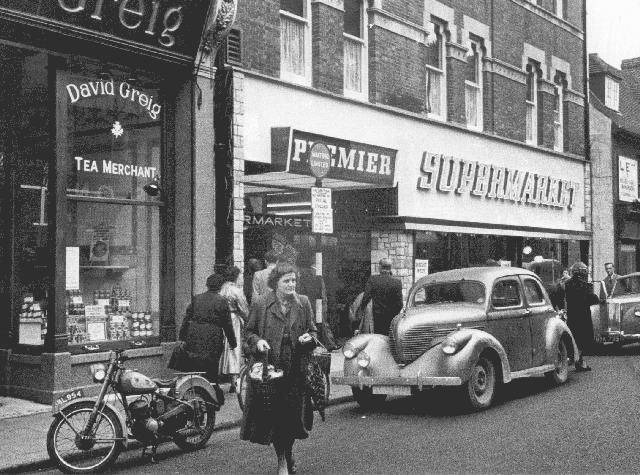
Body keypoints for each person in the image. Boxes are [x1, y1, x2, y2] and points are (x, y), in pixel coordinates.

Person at [241, 261, 318, 475]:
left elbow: (314, 332)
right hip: (271, 369)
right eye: (287, 281)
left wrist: (308, 338)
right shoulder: (261, 303)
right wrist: (257, 342)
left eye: (294, 280)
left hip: (295, 369)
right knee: (276, 417)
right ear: (276, 283)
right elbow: (248, 333)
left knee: (292, 416)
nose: (291, 284)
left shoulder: (303, 303)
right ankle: (282, 460)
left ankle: (288, 452)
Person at [178, 274, 237, 383]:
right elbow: (227, 324)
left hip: (194, 334)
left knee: (195, 365)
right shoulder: (222, 301)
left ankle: (196, 386)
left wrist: (182, 337)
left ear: (207, 285)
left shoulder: (197, 298)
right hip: (213, 336)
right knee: (211, 367)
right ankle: (211, 388)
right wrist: (233, 342)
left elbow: (186, 319)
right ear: (220, 287)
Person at [564, 261, 600, 372]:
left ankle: (576, 359)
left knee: (574, 338)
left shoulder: (567, 284)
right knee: (583, 340)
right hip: (583, 316)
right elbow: (593, 299)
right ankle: (580, 360)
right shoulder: (584, 285)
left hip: (572, 316)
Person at [219, 265, 249, 393]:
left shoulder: (222, 289)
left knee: (224, 348)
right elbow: (244, 308)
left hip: (221, 320)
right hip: (233, 320)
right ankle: (235, 381)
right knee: (234, 348)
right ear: (236, 277)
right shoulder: (236, 291)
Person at [359, 258, 403, 335]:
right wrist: (394, 314)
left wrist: (362, 310)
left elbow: (365, 298)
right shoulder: (397, 282)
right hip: (391, 317)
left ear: (380, 267)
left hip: (376, 318)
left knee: (377, 340)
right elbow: (400, 304)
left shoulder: (373, 280)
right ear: (390, 268)